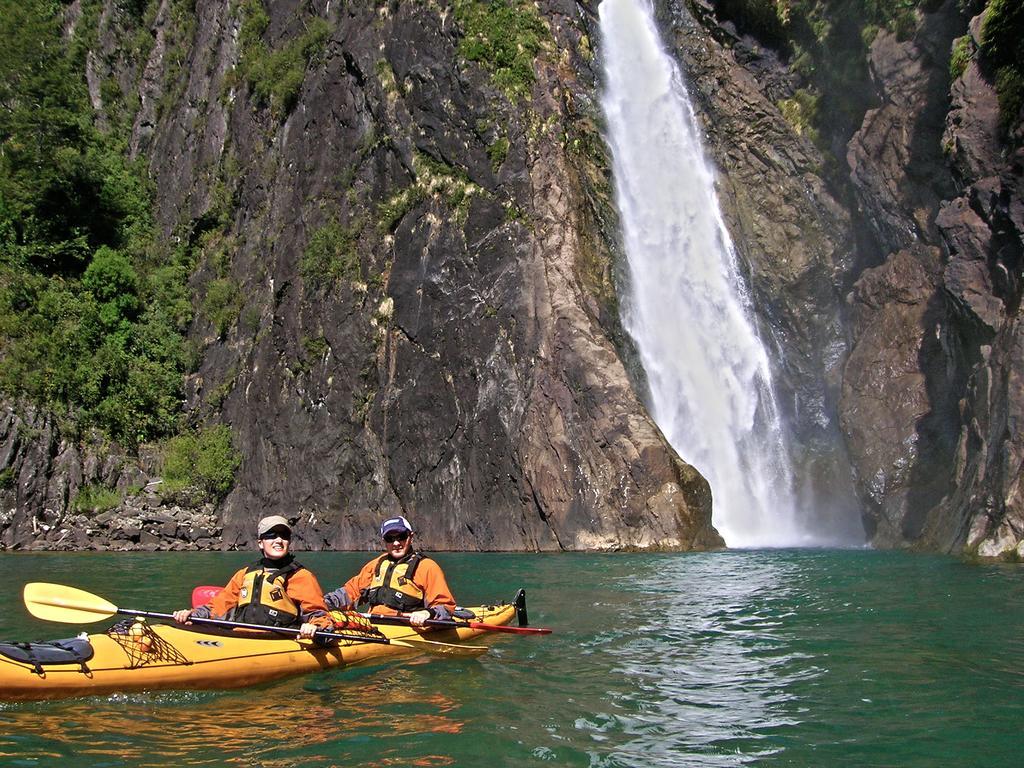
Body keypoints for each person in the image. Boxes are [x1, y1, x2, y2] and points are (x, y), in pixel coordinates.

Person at [173, 515, 332, 639]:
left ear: (289, 541)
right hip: (239, 635)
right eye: (271, 535)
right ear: (261, 543)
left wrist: (315, 626)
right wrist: (193, 614)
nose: (278, 540)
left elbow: (318, 614)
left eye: (283, 536)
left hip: (279, 639)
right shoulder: (245, 573)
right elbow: (220, 606)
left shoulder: (301, 576)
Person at [324, 516, 456, 626]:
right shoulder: (376, 565)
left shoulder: (427, 567)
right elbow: (349, 593)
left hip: (407, 627)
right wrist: (321, 604)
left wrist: (427, 613)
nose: (396, 543)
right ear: (384, 541)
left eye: (401, 536)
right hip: (373, 625)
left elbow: (445, 607)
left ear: (411, 536)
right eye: (390, 539)